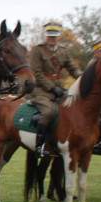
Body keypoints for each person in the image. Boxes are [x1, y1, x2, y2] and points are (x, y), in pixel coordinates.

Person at [28, 22, 81, 157]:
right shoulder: (37, 50)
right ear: (46, 36)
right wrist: (52, 87)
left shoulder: (63, 51)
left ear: (59, 36)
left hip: (58, 89)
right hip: (40, 90)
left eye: (55, 36)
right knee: (48, 111)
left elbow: (72, 68)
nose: (52, 38)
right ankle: (39, 145)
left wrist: (82, 77)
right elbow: (36, 73)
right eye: (49, 35)